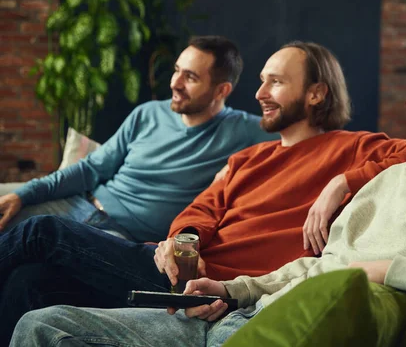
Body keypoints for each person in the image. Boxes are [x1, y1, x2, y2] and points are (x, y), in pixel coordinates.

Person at [10, 35, 406, 346]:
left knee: (40, 234)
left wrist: (388, 265)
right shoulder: (386, 182)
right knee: (40, 321)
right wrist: (232, 286)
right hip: (225, 302)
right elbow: (315, 265)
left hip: (280, 329)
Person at [0, 35, 277, 243]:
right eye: (176, 70)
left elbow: (310, 140)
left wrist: (325, 195)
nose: (174, 83)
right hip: (79, 204)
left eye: (190, 77)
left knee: (28, 253)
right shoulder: (148, 113)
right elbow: (92, 168)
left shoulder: (246, 131)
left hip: (120, 237)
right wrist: (24, 194)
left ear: (221, 90)